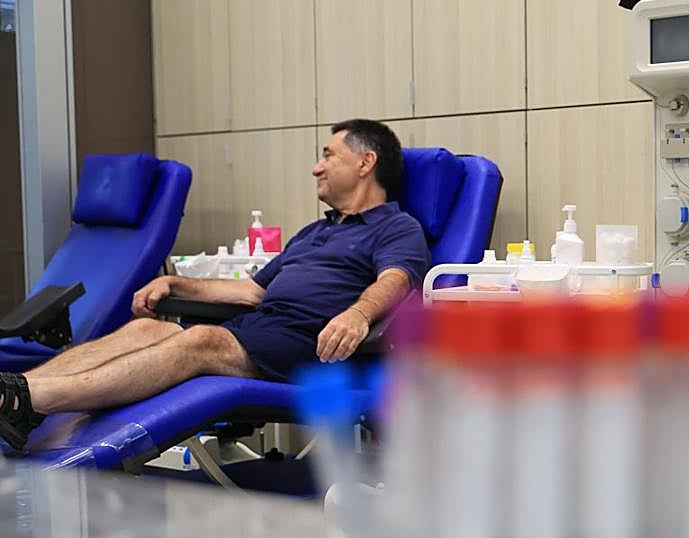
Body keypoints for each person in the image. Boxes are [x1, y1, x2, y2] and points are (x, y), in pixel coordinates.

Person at [0, 119, 430, 451]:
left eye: (328, 155)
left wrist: (357, 314)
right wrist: (176, 283)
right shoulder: (313, 233)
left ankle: (33, 399)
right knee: (149, 329)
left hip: (309, 345)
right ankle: (14, 393)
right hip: (261, 329)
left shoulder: (396, 227)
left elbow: (397, 279)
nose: (316, 166)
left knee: (203, 340)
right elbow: (252, 292)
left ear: (365, 162)